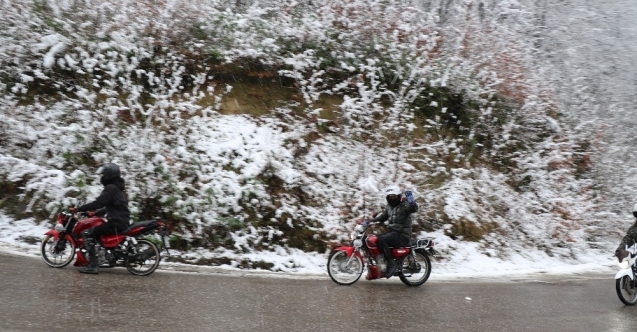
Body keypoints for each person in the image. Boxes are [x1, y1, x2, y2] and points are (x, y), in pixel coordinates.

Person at [69, 163, 130, 274]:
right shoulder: (118, 188)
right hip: (120, 221)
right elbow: (110, 207)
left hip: (116, 223)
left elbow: (99, 203)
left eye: (103, 175)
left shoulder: (111, 188)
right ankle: (100, 256)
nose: (101, 177)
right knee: (97, 230)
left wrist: (79, 209)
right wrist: (95, 213)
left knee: (88, 233)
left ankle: (93, 265)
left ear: (109, 175)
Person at [364, 185, 419, 278]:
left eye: (393, 196)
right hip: (393, 233)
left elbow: (413, 209)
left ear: (397, 195)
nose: (391, 198)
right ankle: (380, 264)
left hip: (402, 235)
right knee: (373, 238)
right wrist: (369, 221)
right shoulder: (389, 207)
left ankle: (391, 263)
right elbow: (382, 217)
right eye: (389, 196)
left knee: (381, 240)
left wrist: (412, 203)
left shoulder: (404, 205)